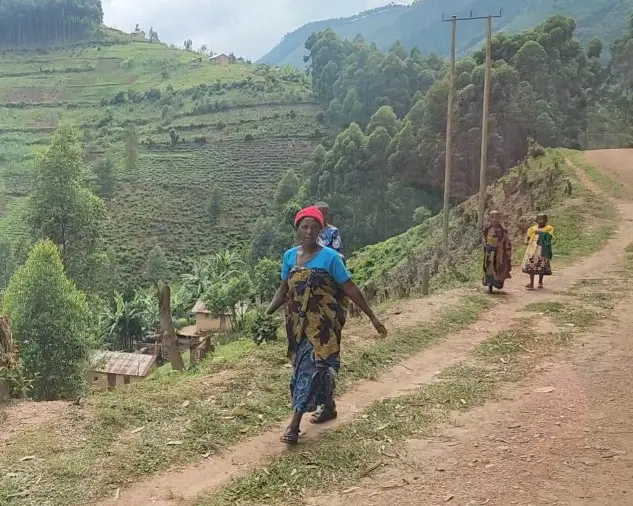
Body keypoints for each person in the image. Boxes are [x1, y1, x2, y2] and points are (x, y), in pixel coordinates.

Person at [266, 206, 387, 444]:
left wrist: (372, 317)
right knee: (313, 368)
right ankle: (329, 405)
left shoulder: (331, 258)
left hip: (323, 327)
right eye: (305, 227)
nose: (309, 231)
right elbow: (284, 288)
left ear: (322, 229)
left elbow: (349, 287)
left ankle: (294, 425)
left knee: (308, 370)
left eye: (314, 227)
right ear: (297, 229)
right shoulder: (289, 256)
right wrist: (266, 314)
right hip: (297, 326)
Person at [482, 210, 512, 293]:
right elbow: (484, 239)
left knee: (498, 268)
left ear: (499, 218)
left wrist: (508, 254)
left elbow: (507, 242)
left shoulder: (503, 231)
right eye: (492, 217)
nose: (494, 219)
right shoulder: (487, 230)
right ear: (489, 218)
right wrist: (485, 244)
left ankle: (497, 283)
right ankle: (489, 285)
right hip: (489, 254)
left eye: (496, 217)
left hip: (499, 254)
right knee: (488, 269)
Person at [521, 213, 554, 289]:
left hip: (542, 249)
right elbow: (528, 237)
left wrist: (539, 233)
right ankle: (531, 283)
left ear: (546, 220)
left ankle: (540, 282)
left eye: (543, 219)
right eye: (539, 219)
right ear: (536, 220)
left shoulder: (549, 228)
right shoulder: (532, 229)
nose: (541, 220)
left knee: (541, 265)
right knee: (531, 265)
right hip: (533, 249)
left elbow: (549, 237)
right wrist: (527, 241)